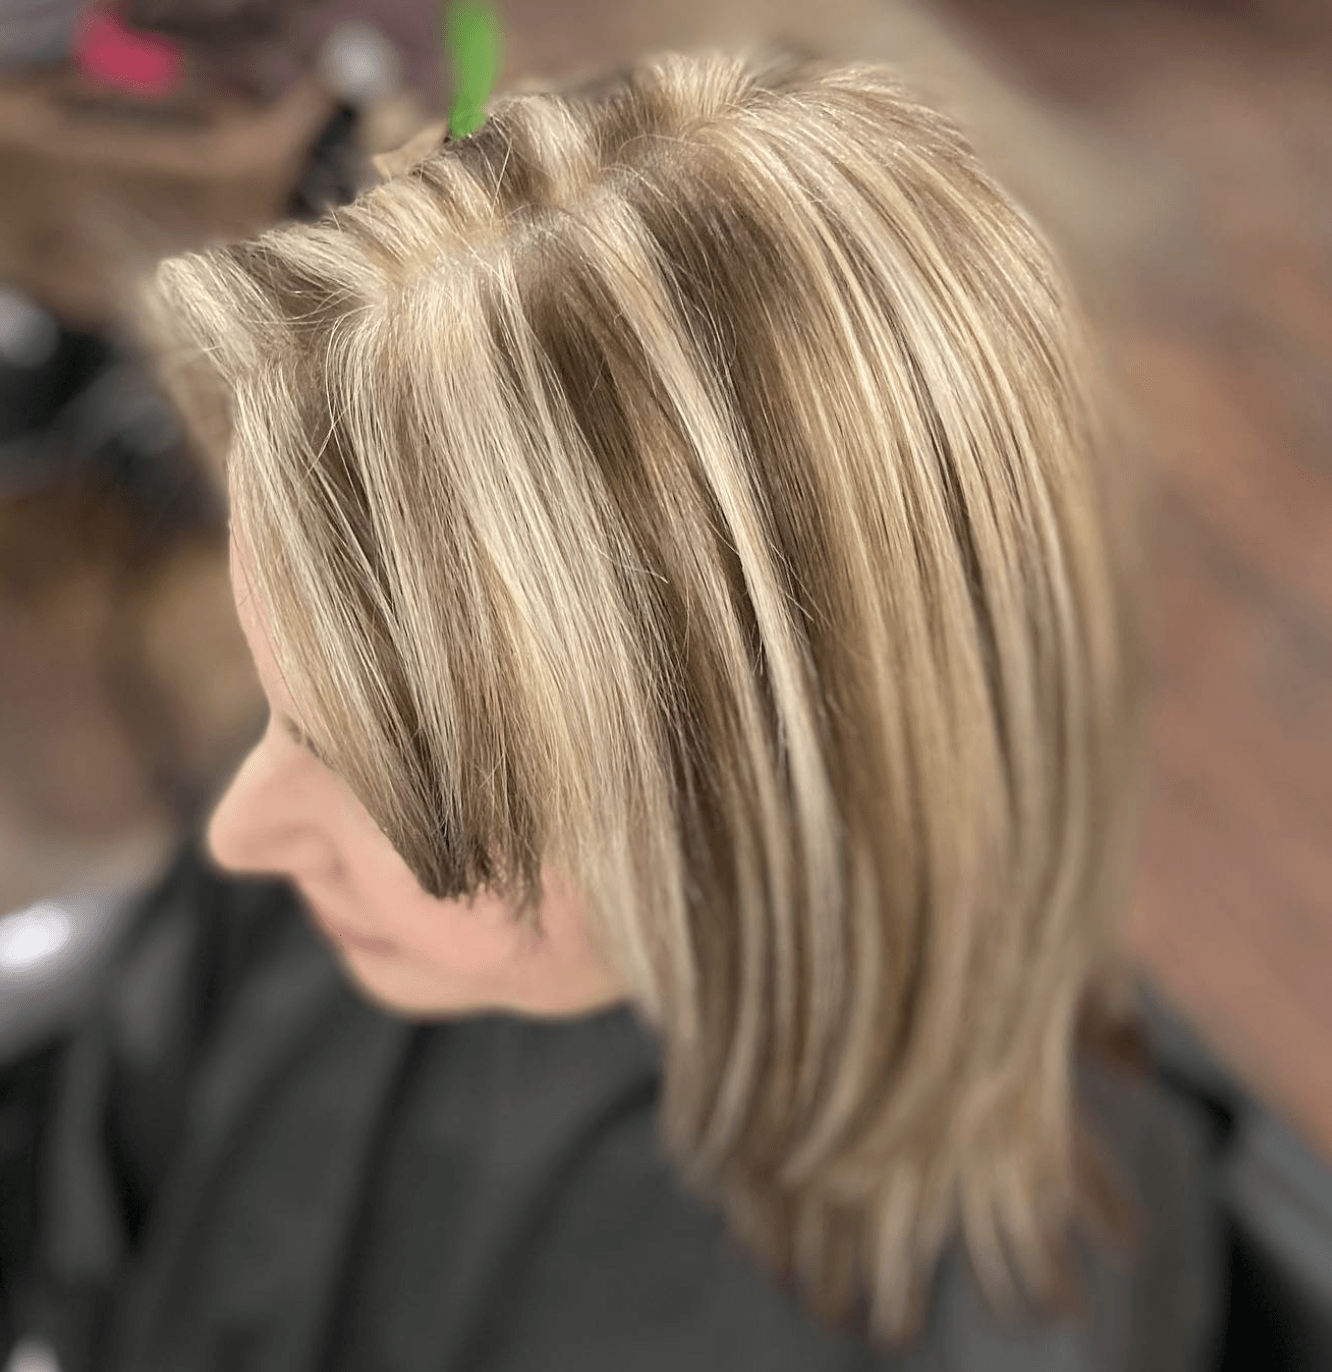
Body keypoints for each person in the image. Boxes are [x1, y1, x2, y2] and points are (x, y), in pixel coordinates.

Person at [2, 43, 1225, 1371]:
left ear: (758, 802)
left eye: (376, 774)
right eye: (291, 713)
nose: (246, 834)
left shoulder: (991, 1320)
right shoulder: (332, 926)